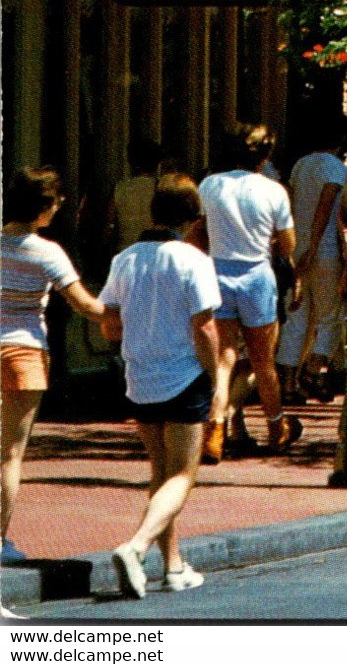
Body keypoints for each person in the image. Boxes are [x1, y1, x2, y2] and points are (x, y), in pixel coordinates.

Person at [102, 174, 219, 599]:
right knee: (182, 476)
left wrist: (133, 341)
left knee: (161, 474)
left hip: (140, 376)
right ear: (191, 219)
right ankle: (136, 547)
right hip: (183, 375)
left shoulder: (125, 259)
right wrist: (217, 379)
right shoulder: (193, 260)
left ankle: (173, 566)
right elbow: (204, 327)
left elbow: (109, 320)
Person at [1, 169, 107, 564]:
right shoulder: (47, 252)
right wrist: (124, 312)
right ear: (45, 207)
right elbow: (85, 305)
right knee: (9, 453)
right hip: (24, 352)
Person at [196, 123, 299, 462]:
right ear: (264, 155)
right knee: (263, 361)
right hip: (256, 274)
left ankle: (215, 427)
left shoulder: (210, 185)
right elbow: (288, 245)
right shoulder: (274, 191)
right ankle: (275, 426)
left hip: (218, 272)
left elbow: (200, 231)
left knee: (223, 358)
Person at [277, 113, 347, 403]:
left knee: (297, 313)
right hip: (324, 249)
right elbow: (327, 205)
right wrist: (315, 245)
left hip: (297, 243)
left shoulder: (301, 165)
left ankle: (290, 383)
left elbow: (293, 203)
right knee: (331, 314)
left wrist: (298, 245)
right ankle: (312, 368)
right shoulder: (336, 168)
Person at [108, 140, 166, 255]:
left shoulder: (120, 188)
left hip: (126, 251)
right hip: (154, 253)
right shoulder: (162, 189)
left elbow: (109, 224)